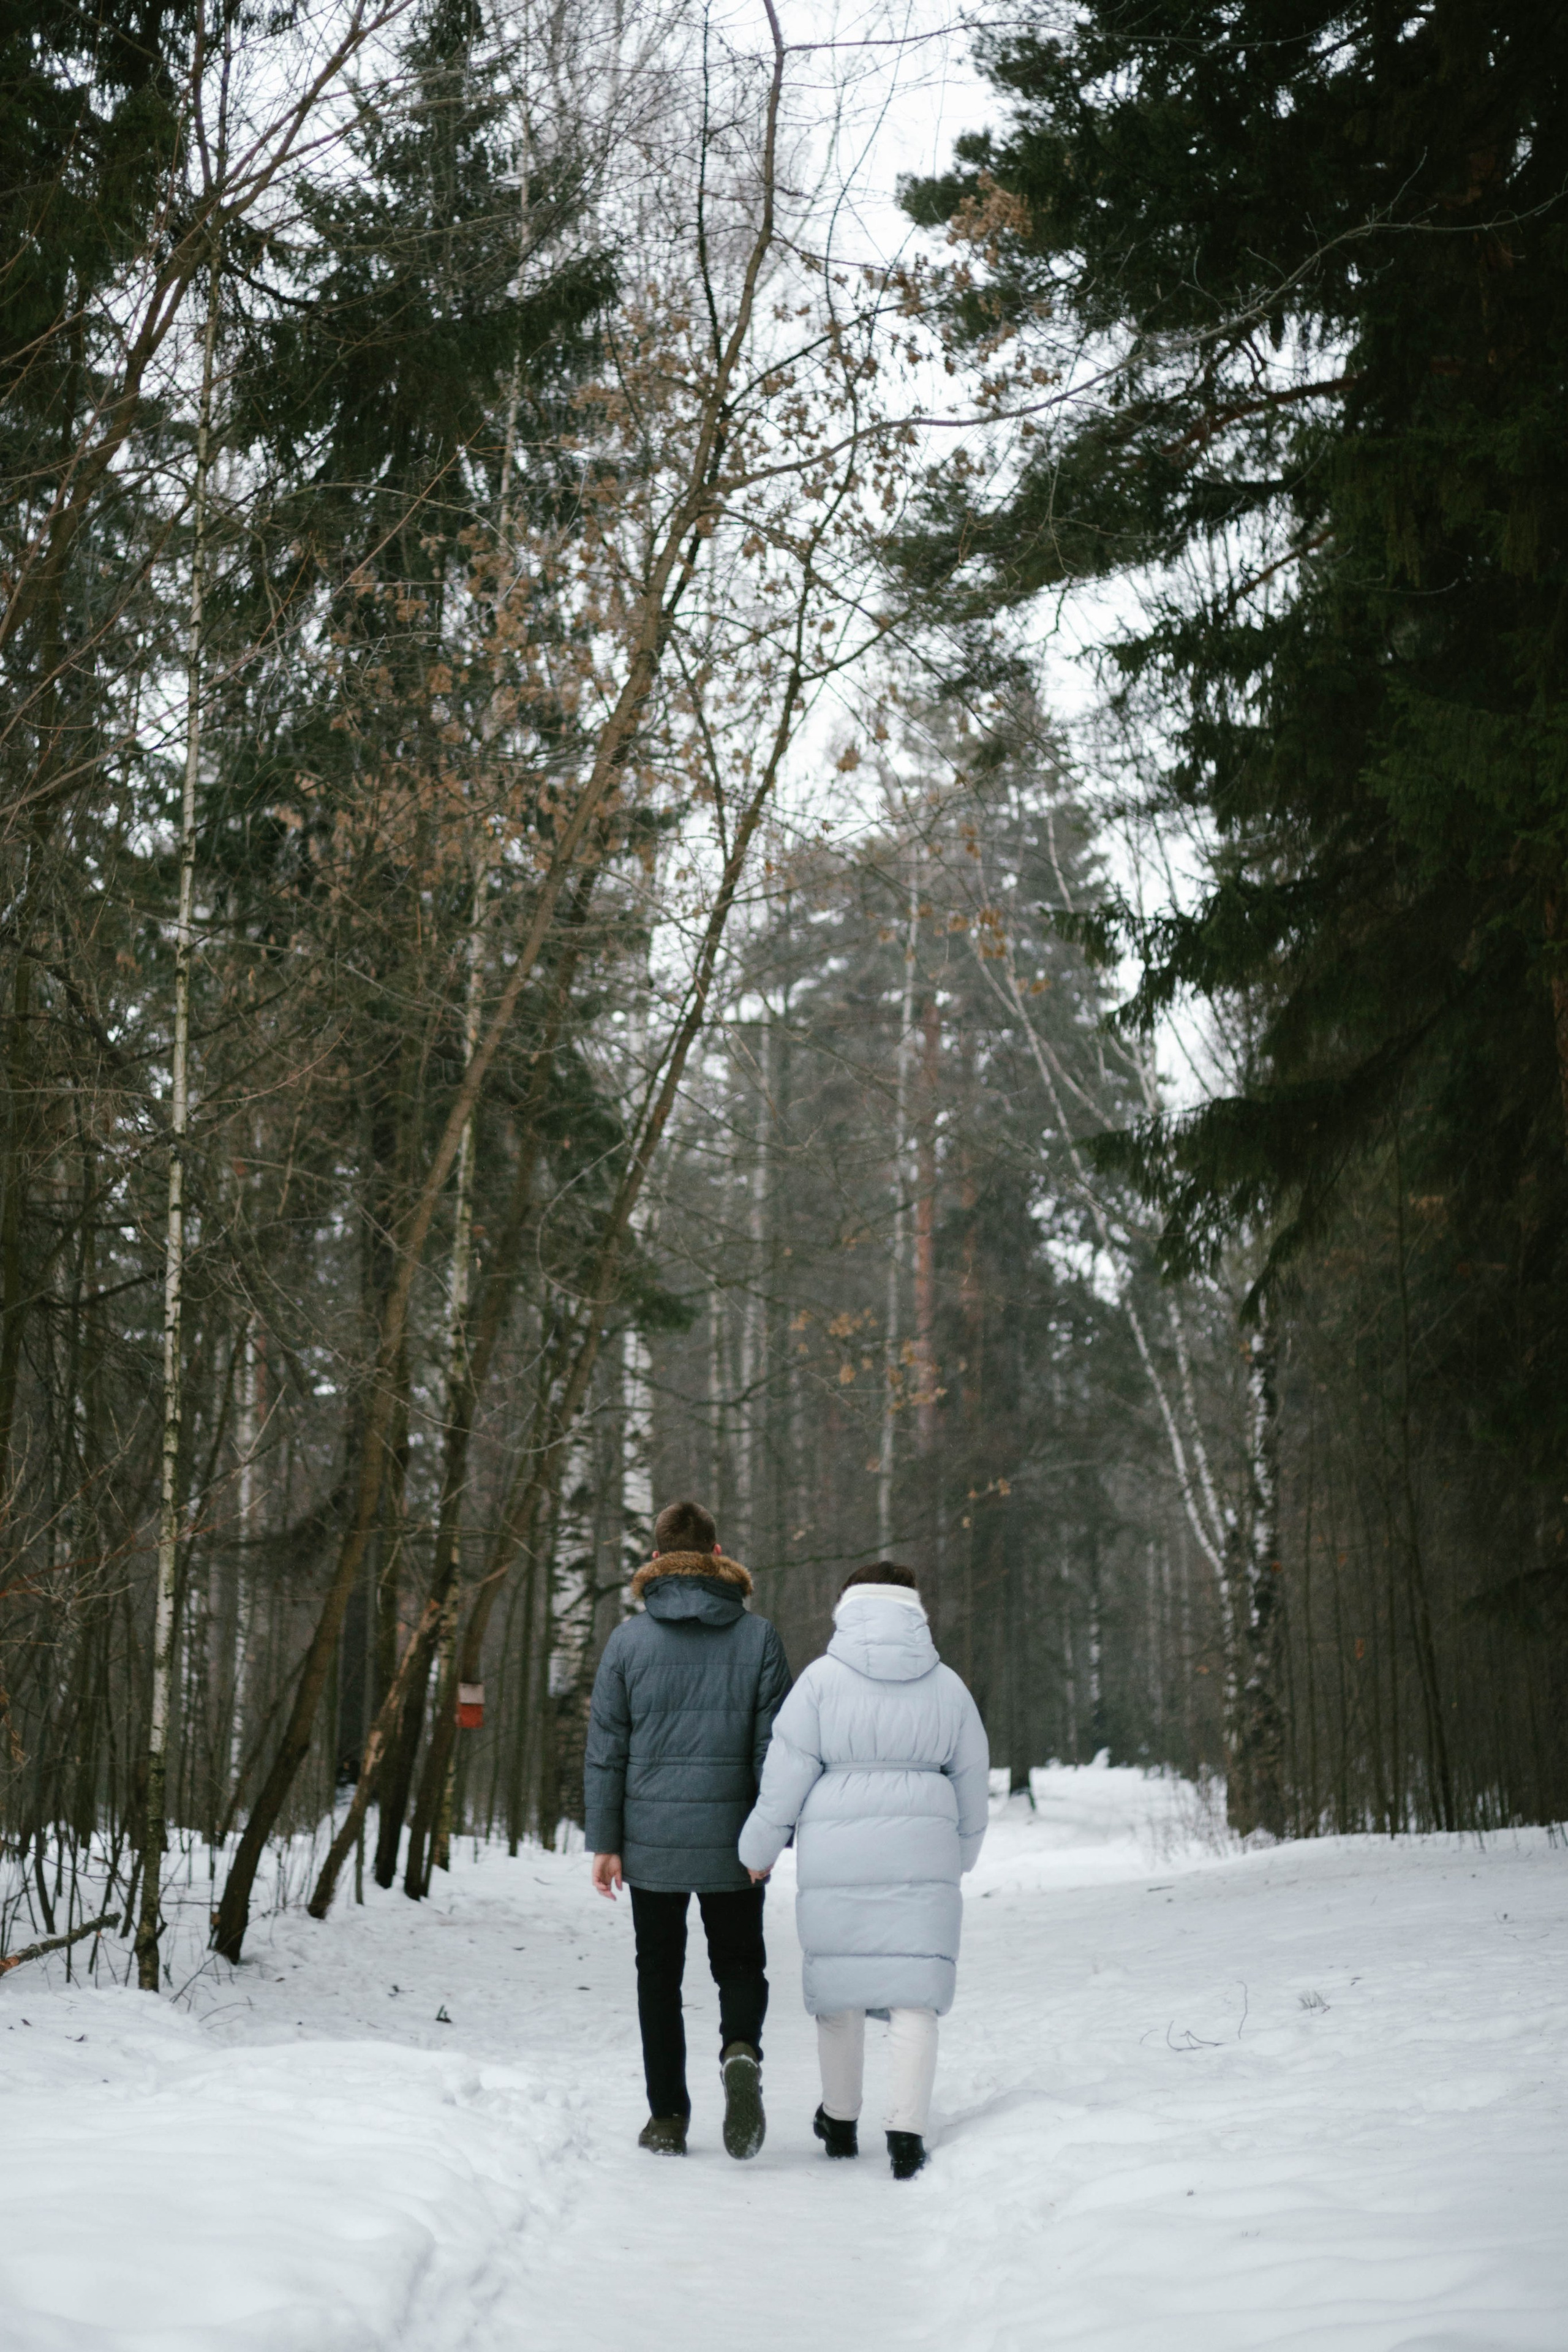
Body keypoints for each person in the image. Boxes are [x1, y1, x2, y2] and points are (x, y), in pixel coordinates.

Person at [737, 1562, 989, 2179]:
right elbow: (972, 1779)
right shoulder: (949, 1687)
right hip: (922, 1845)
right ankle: (907, 2135)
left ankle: (841, 2123)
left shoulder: (821, 1683)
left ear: (847, 1607)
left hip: (838, 1845)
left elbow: (787, 1771)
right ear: (915, 1612)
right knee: (915, 1996)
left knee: (840, 1991)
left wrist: (757, 1849)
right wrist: (961, 1853)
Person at [585, 1497, 791, 2160]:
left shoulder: (626, 1642)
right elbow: (775, 1751)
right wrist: (770, 1835)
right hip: (735, 1839)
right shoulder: (758, 1637)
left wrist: (606, 1842)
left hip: (651, 1842)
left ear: (654, 1562)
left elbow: (606, 1749)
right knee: (739, 1961)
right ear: (717, 1556)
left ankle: (668, 2118)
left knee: (659, 1975)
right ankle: (739, 2048)